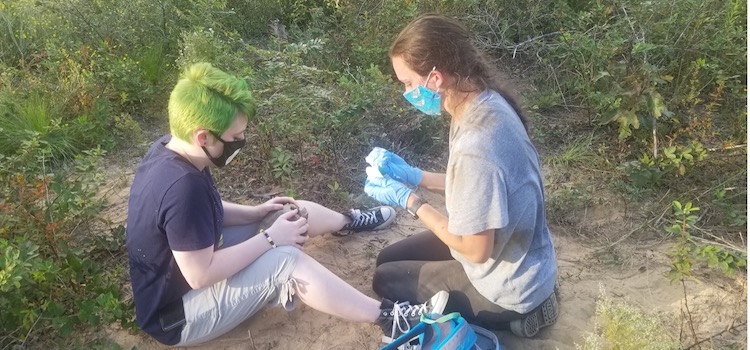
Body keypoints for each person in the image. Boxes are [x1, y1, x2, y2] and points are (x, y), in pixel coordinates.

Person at [125, 62, 449, 346]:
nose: (241, 142)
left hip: (191, 279)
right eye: (234, 137)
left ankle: (346, 221)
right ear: (203, 137)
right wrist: (269, 239)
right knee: (285, 260)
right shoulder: (182, 187)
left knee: (285, 213)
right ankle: (391, 320)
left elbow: (201, 211)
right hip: (179, 315)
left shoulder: (171, 150)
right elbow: (200, 275)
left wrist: (258, 213)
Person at [364, 14, 559, 338]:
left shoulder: (477, 144)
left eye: (408, 83)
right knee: (387, 258)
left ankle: (516, 320)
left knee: (384, 279)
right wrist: (414, 176)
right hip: (517, 252)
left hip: (509, 285)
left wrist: (410, 202)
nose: (406, 92)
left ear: (435, 78)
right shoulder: (482, 102)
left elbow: (474, 250)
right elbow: (474, 188)